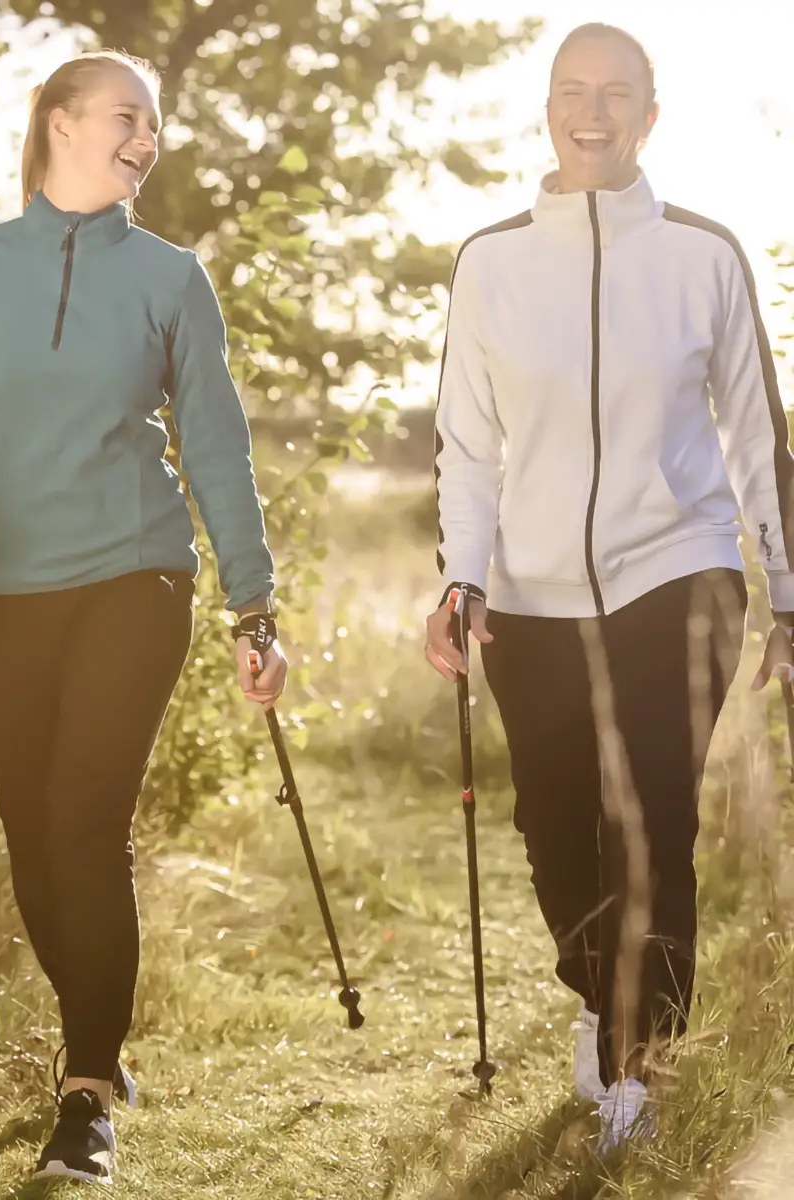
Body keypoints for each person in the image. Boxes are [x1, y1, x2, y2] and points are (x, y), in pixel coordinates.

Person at [0, 49, 289, 1185]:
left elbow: (217, 445)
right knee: (33, 835)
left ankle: (87, 1082)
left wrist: (253, 599)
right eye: (127, 116)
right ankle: (97, 1020)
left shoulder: (170, 278)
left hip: (132, 578)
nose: (147, 139)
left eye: (156, 125)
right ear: (58, 124)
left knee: (86, 823)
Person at [424, 22, 794, 1154]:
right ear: (546, 109)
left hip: (673, 575)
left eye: (617, 94)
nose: (594, 111)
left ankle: (643, 1056)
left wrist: (784, 593)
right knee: (553, 825)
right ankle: (597, 992)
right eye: (573, 92)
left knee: (651, 824)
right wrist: (463, 579)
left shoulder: (704, 255)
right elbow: (467, 445)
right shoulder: (490, 260)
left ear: (650, 114)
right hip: (529, 597)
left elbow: (755, 438)